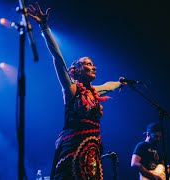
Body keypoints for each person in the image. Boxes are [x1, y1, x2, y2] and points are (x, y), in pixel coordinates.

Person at [27, 2, 127, 180]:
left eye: (93, 64)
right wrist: (45, 27)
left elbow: (108, 86)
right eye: (88, 64)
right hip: (73, 147)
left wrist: (120, 83)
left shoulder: (94, 91)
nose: (93, 67)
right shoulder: (71, 89)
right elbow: (57, 58)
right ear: (77, 70)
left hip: (92, 148)